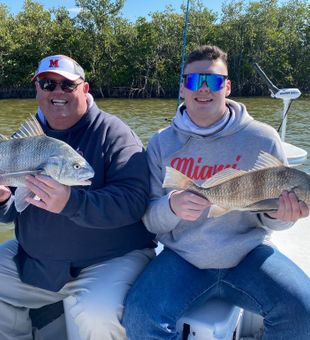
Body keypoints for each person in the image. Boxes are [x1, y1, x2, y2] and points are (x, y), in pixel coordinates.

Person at [122, 45, 310, 339]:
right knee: (139, 318)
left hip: (249, 254)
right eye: (195, 81)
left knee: (304, 310)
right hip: (182, 257)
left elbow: (275, 221)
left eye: (215, 81)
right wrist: (171, 207)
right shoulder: (161, 143)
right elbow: (150, 220)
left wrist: (280, 215)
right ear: (183, 87)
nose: (204, 89)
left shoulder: (262, 137)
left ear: (228, 86)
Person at [0, 54, 156, 340]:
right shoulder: (24, 142)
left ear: (84, 89)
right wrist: (1, 200)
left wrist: (72, 203)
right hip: (37, 265)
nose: (57, 92)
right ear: (37, 90)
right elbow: (12, 209)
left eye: (67, 85)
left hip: (109, 261)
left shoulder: (114, 133)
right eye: (48, 84)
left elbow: (134, 201)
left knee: (96, 313)